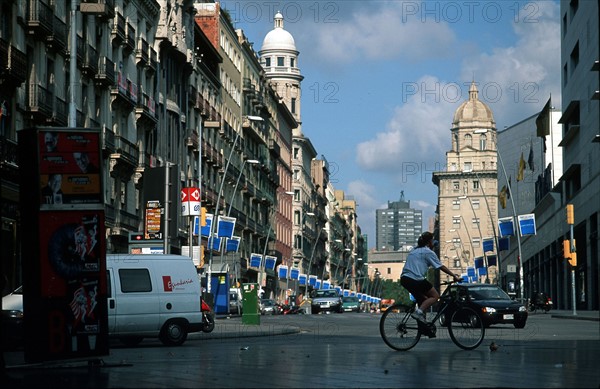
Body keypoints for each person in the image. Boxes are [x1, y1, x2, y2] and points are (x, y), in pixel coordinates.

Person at [400, 231, 461, 326]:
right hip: (416, 279)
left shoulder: (413, 250)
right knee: (435, 296)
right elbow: (441, 266)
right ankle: (418, 312)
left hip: (405, 279)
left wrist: (431, 247)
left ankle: (422, 326)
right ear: (429, 242)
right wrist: (454, 276)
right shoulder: (428, 252)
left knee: (423, 300)